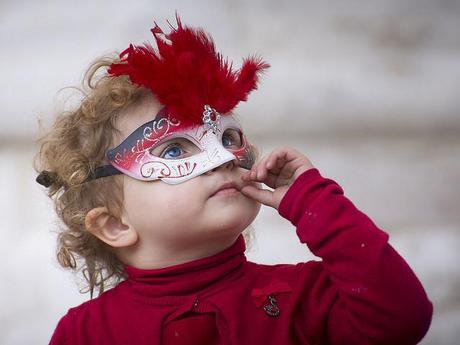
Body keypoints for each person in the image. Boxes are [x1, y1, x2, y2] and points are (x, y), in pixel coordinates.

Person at [36, 15, 433, 345]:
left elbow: (402, 319)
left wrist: (315, 202)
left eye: (227, 138)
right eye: (174, 150)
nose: (223, 158)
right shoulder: (84, 334)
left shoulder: (302, 298)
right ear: (115, 224)